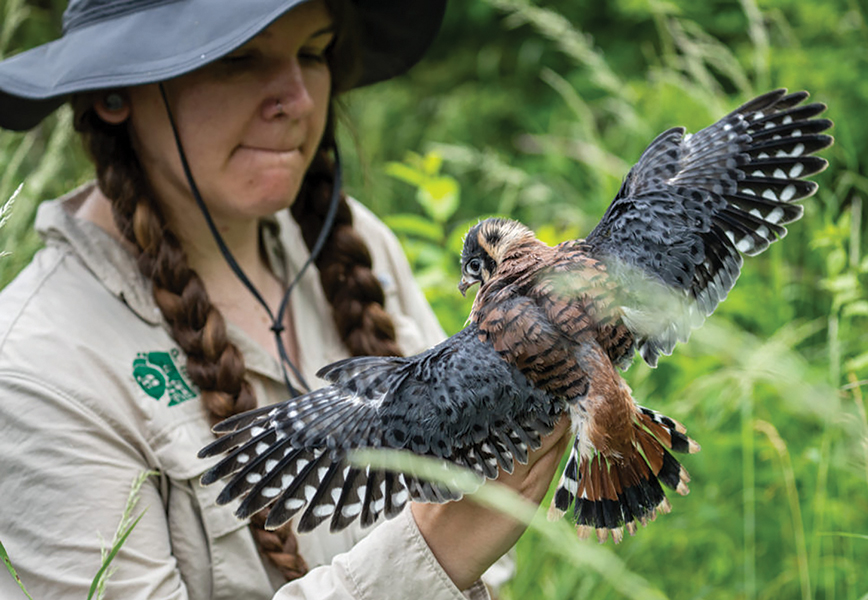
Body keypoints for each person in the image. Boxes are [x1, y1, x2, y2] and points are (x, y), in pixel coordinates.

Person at [0, 1, 570, 599]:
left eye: (313, 52)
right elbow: (465, 540)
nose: (296, 98)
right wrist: (433, 552)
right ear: (115, 93)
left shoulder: (357, 247)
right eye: (238, 56)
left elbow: (493, 564)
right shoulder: (37, 375)